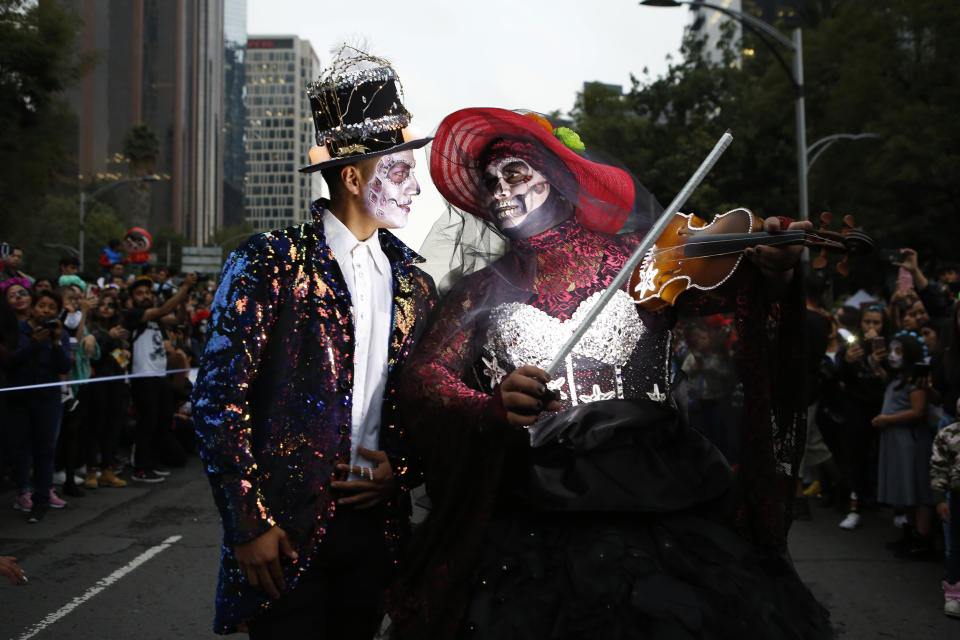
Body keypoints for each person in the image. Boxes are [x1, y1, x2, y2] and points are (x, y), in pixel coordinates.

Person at [387, 108, 829, 639]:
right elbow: (424, 377)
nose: (499, 191)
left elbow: (735, 302)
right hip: (531, 499)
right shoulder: (478, 291)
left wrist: (771, 273)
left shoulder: (647, 259)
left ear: (559, 177)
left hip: (655, 492)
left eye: (515, 174)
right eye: (489, 182)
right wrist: (488, 405)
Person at [193, 49, 436, 638]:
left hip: (377, 532)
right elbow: (216, 401)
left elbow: (429, 405)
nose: (417, 188)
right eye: (401, 170)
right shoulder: (269, 262)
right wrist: (248, 524)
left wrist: (400, 471)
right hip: (284, 535)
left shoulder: (416, 284)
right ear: (354, 177)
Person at [122, 273, 198, 483]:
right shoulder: (133, 315)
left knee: (162, 420)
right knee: (146, 422)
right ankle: (140, 468)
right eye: (139, 293)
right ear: (132, 298)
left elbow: (177, 319)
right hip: (143, 377)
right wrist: (184, 286)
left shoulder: (157, 320)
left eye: (147, 292)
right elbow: (164, 309)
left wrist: (183, 301)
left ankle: (152, 462)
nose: (145, 296)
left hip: (159, 376)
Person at [5, 290, 72, 523]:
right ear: (32, 307)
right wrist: (32, 345)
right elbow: (9, 362)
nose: (46, 310)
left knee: (45, 449)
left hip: (47, 399)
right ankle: (23, 491)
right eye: (42, 305)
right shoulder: (18, 331)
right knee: (20, 448)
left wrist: (54, 342)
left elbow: (65, 366)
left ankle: (42, 498)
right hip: (20, 400)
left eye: (51, 307)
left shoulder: (58, 335)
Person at [874, 331, 934, 558]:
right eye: (891, 350)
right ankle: (910, 534)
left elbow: (918, 412)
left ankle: (922, 538)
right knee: (907, 488)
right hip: (896, 442)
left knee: (918, 489)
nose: (892, 355)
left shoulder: (915, 382)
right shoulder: (897, 379)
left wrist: (887, 420)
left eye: (898, 351)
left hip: (910, 441)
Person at [931, 397, 960, 618]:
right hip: (958, 496)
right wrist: (940, 497)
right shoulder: (948, 435)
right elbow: (939, 467)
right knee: (957, 544)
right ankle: (954, 592)